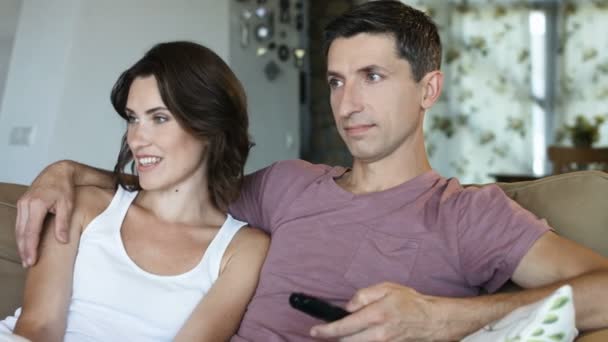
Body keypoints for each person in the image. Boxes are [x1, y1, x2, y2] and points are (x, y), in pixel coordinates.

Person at [14, 1, 608, 341]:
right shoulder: (287, 185)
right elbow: (179, 184)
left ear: (429, 88)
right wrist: (66, 172)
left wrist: (442, 319)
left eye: (372, 77)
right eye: (335, 81)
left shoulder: (468, 214)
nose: (347, 103)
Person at [3, 41, 269, 341]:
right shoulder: (85, 207)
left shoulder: (242, 249)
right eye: (132, 118)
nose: (137, 139)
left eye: (159, 118)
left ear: (208, 126)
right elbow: (38, 327)